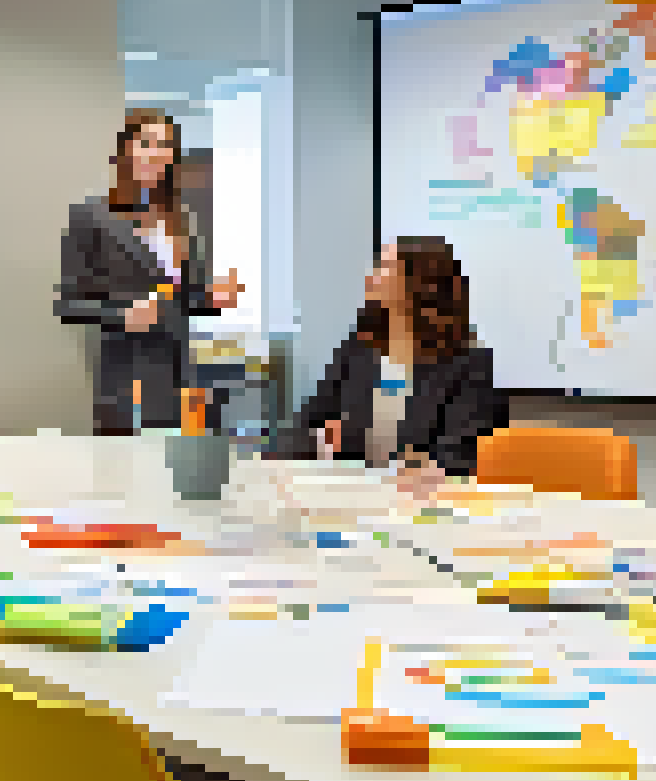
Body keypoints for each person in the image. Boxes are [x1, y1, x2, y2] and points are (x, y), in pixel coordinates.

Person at [54, 107, 242, 435]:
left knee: (170, 477)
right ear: (125, 149)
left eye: (166, 145)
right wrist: (123, 315)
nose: (157, 153)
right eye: (147, 143)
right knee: (126, 476)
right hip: (127, 378)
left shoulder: (181, 219)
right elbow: (68, 304)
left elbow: (180, 298)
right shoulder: (92, 215)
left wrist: (212, 299)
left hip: (178, 374)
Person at [275, 235, 508, 494]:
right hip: (350, 496)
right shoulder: (358, 348)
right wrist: (321, 442)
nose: (371, 275)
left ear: (420, 283)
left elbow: (458, 457)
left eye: (384, 267)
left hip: (423, 506)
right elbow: (302, 426)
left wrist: (358, 442)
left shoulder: (469, 364)